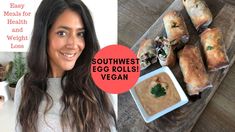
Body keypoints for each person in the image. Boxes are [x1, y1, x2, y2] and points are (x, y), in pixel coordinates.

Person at [14, 0, 116, 132]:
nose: (74, 44)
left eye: (80, 34)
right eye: (62, 33)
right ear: (43, 36)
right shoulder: (24, 85)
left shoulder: (99, 81)